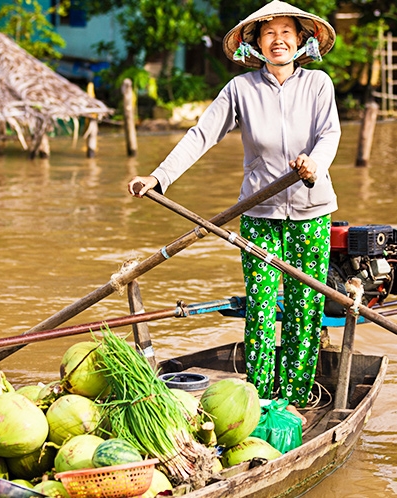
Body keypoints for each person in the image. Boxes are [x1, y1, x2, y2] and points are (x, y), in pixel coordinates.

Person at [127, 0, 340, 408]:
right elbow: (200, 135)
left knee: (304, 307)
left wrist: (314, 164)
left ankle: (294, 400)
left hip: (311, 213)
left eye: (286, 33)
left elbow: (328, 134)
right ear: (256, 43)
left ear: (300, 41)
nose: (278, 41)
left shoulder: (318, 85)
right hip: (259, 215)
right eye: (269, 34)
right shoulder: (241, 89)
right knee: (260, 308)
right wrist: (159, 177)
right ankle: (256, 400)